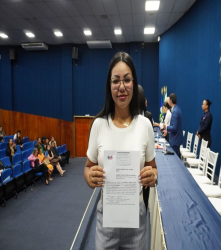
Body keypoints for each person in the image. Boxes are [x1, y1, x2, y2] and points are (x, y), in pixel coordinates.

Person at [84, 52, 157, 250]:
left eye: (127, 80)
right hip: (106, 220)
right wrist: (90, 177)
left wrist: (152, 176)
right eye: (116, 81)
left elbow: (154, 169)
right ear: (110, 85)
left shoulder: (145, 125)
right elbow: (88, 167)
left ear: (134, 82)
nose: (122, 87)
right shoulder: (98, 125)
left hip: (137, 222)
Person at [165, 93, 183, 158]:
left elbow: (174, 128)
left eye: (168, 100)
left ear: (171, 101)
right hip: (176, 139)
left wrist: (166, 127)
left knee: (175, 159)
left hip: (175, 140)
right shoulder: (177, 109)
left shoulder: (175, 111)